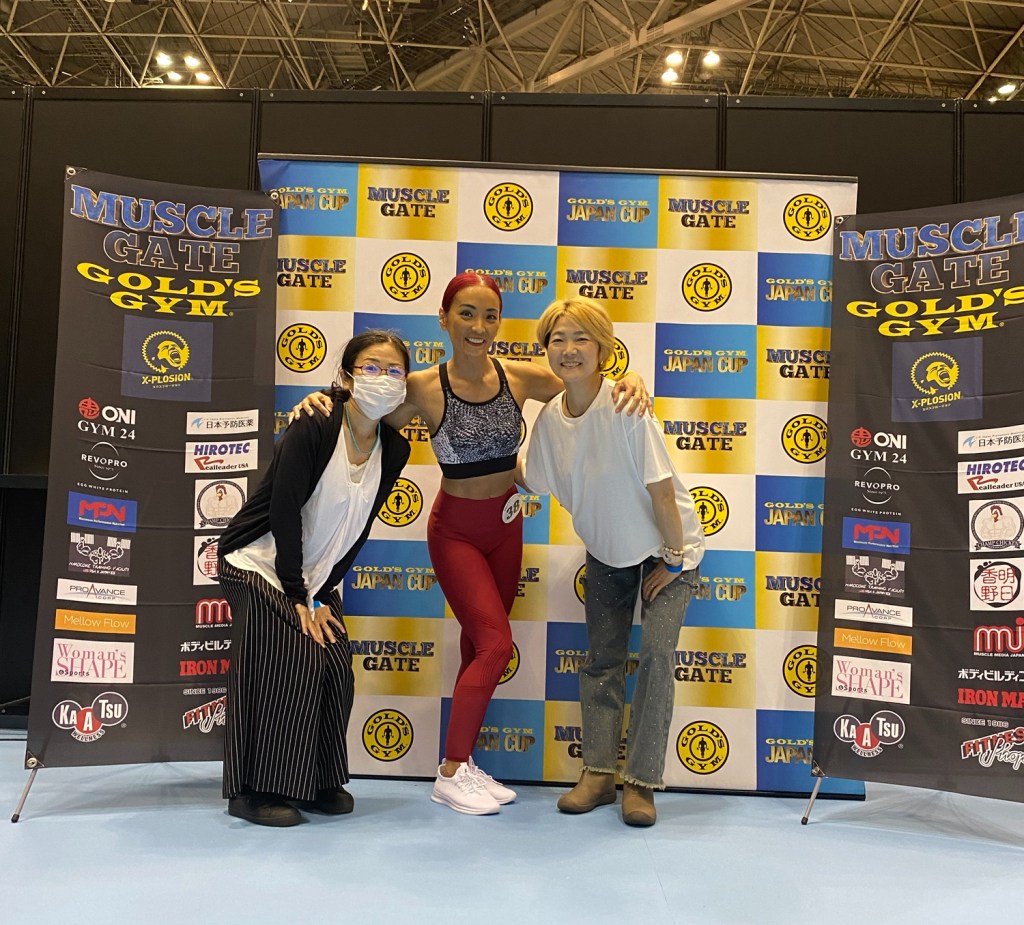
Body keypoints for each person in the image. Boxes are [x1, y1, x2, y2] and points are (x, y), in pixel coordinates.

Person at [293, 272, 649, 815]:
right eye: (466, 313)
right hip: (455, 532)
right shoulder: (422, 387)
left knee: (476, 647)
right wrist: (320, 401)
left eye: (490, 315)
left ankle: (465, 763)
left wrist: (633, 379)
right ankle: (451, 771)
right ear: (444, 319)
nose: (479, 326)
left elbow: (586, 383)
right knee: (495, 645)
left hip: (506, 528)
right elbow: (363, 413)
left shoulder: (519, 376)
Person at [517, 296, 705, 827]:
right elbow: (534, 478)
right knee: (602, 660)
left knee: (657, 658)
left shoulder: (626, 405)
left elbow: (662, 492)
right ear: (546, 350)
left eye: (581, 338)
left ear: (603, 348)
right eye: (557, 339)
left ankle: (641, 782)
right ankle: (598, 774)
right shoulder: (549, 419)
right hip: (607, 553)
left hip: (669, 549)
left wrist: (675, 559)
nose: (569, 349)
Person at [217, 330, 411, 827]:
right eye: (371, 367)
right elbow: (283, 512)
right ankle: (255, 790)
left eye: (394, 370)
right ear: (346, 376)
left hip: (314, 579)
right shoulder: (316, 423)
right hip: (256, 561)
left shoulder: (395, 448)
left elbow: (358, 528)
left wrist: (320, 595)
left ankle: (316, 779)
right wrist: (297, 596)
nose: (383, 378)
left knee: (337, 664)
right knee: (294, 656)